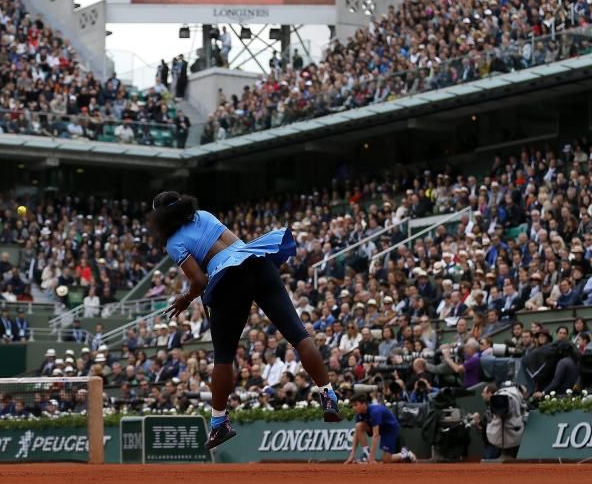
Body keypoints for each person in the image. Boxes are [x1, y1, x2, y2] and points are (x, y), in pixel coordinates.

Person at [149, 191, 340, 450]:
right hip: (256, 260)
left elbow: (199, 281)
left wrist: (185, 299)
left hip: (228, 280)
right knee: (299, 335)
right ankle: (327, 393)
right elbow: (236, 245)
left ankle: (219, 424)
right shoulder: (203, 215)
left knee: (224, 357)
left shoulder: (172, 242)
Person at [344, 394, 414, 464]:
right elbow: (357, 433)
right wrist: (352, 455)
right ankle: (367, 453)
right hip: (379, 427)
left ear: (364, 404)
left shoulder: (375, 412)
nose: (354, 408)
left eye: (356, 405)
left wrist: (372, 456)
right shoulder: (359, 414)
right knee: (358, 426)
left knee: (386, 460)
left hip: (390, 429)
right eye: (352, 406)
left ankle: (405, 453)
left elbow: (375, 435)